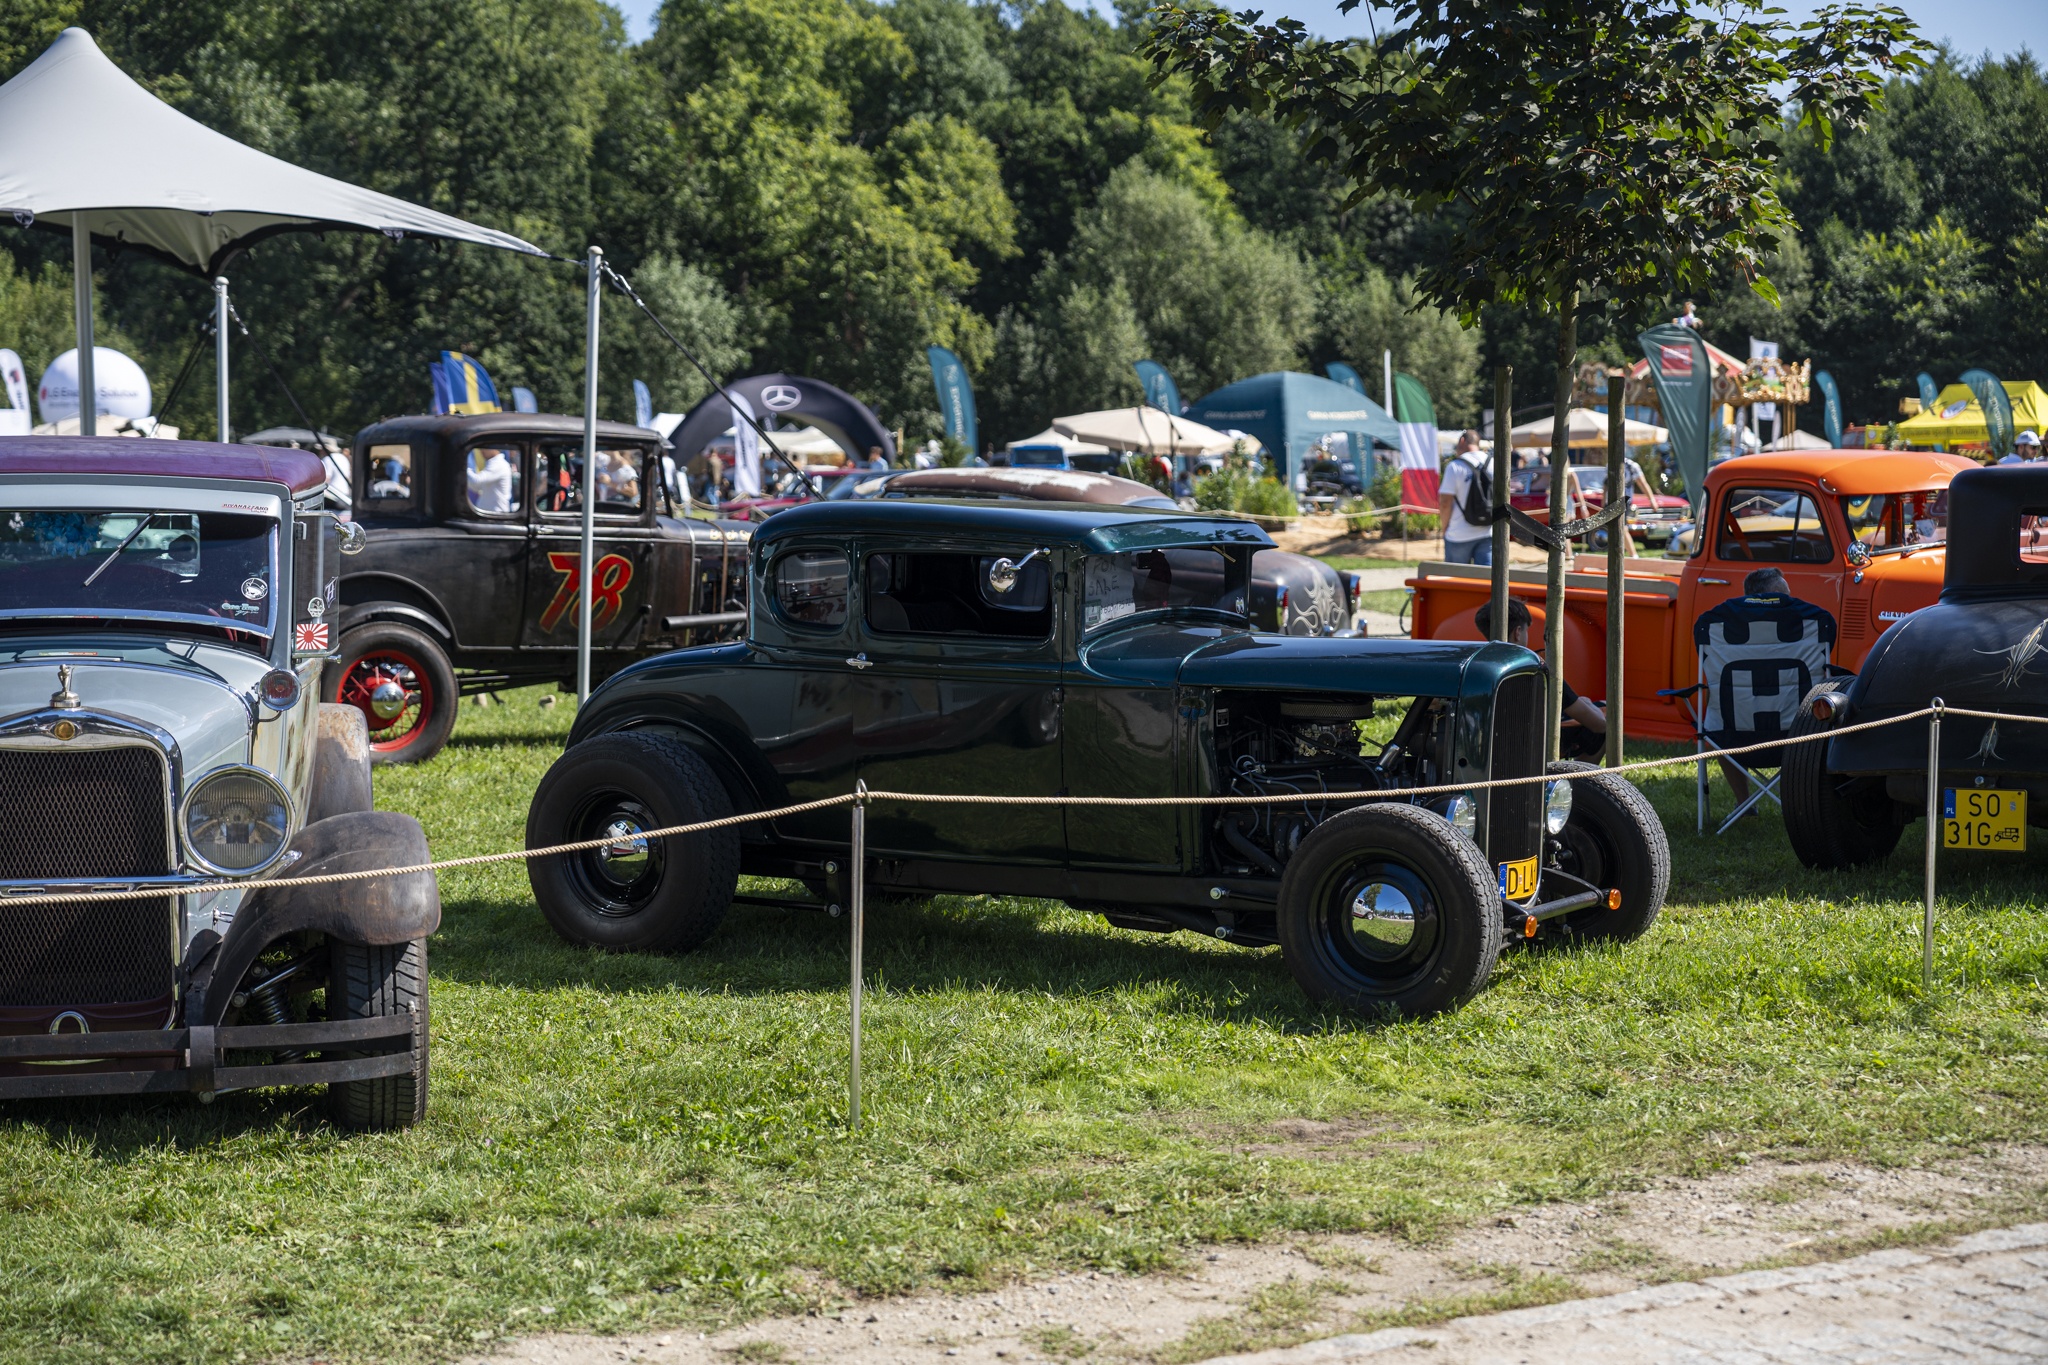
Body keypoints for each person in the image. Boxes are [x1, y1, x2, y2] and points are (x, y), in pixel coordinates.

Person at [1473, 597, 1607, 759]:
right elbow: (1599, 725)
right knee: (1606, 713)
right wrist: (1587, 703)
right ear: (1517, 632)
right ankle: (1581, 774)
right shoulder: (1537, 671)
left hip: (1488, 745)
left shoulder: (1477, 667)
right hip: (1532, 746)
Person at [1437, 430, 1494, 565]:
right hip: (1487, 531)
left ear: (1462, 441)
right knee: (1486, 577)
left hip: (1458, 533)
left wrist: (1445, 528)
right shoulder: (1493, 463)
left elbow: (1445, 502)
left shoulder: (1455, 466)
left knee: (1457, 577)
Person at [465, 446, 515, 514]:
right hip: (488, 514)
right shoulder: (493, 463)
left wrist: (463, 467)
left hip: (496, 515)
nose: (481, 450)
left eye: (485, 447)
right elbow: (477, 487)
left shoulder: (499, 464)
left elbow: (476, 481)